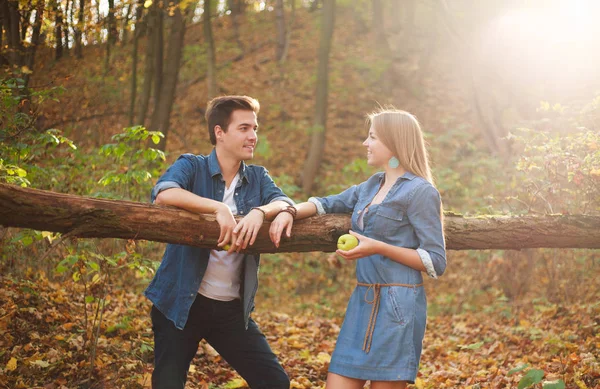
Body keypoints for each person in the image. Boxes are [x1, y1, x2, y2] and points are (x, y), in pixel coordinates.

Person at [277, 108, 446, 389]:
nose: (365, 144)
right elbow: (324, 203)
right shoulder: (370, 186)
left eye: (372, 137)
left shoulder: (420, 191)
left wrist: (376, 247)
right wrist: (289, 211)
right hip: (362, 301)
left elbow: (435, 261)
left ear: (394, 142)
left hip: (399, 305)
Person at [145, 95, 295, 389]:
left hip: (230, 309)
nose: (253, 136)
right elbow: (163, 193)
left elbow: (284, 200)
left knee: (275, 382)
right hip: (180, 302)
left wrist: (259, 211)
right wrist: (218, 208)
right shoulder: (192, 166)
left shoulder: (258, 177)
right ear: (219, 132)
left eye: (255, 128)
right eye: (244, 128)